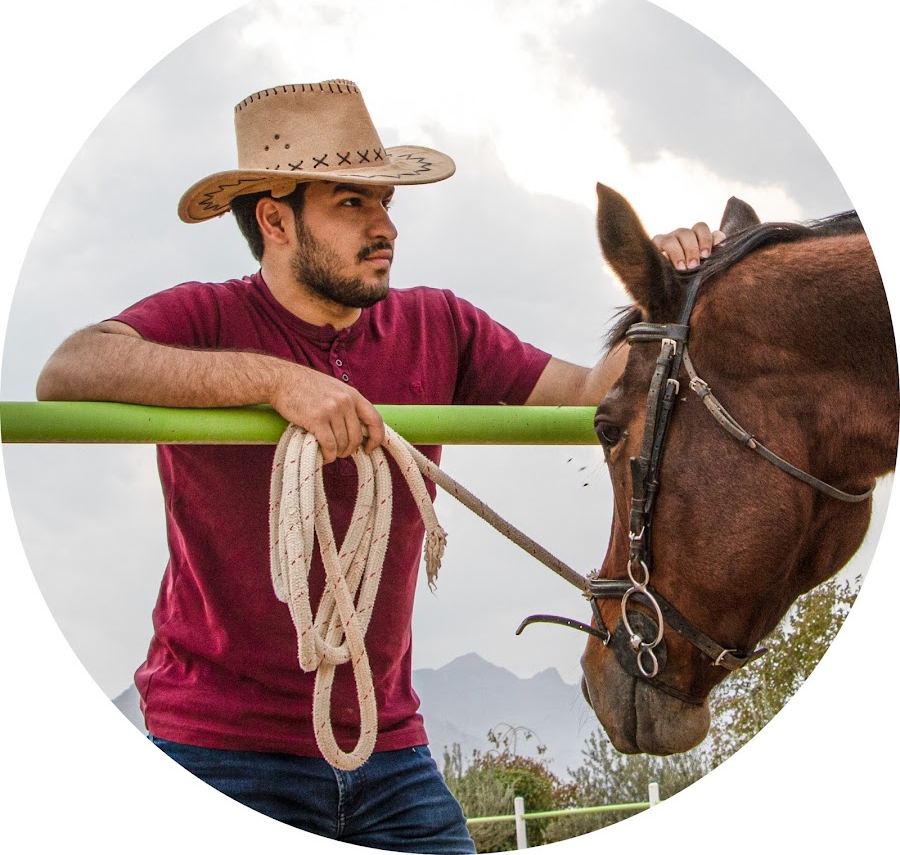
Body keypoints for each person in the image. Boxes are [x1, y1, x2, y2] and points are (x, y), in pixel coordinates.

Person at [36, 80, 723, 853]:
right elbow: (68, 369)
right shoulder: (207, 318)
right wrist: (276, 382)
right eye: (350, 204)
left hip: (386, 749)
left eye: (386, 203)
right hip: (215, 752)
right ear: (275, 220)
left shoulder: (439, 324)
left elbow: (584, 396)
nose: (386, 226)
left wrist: (667, 295)